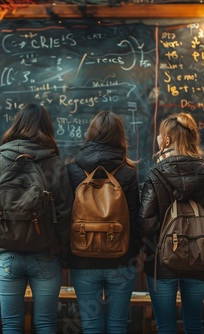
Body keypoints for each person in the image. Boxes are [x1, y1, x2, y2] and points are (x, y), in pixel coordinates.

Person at [0, 103, 73, 334]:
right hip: (45, 256)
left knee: (11, 325)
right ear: (47, 128)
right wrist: (64, 256)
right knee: (46, 324)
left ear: (16, 125)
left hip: (7, 256)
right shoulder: (55, 165)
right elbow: (65, 214)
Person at [138, 112, 204, 334]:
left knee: (165, 327)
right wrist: (202, 239)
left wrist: (165, 242)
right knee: (194, 325)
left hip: (160, 264)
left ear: (165, 140)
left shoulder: (155, 175)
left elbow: (145, 221)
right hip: (199, 260)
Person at [66, 110, 140, 334]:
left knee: (91, 325)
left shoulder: (72, 170)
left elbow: (63, 216)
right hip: (121, 260)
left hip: (82, 258)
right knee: (118, 325)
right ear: (120, 137)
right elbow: (136, 220)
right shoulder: (127, 173)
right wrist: (133, 256)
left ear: (90, 134)